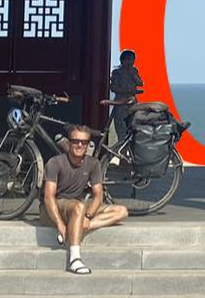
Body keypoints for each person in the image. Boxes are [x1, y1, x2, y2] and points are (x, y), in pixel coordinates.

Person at [40, 124, 128, 274]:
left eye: (84, 142)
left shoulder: (93, 164)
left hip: (77, 209)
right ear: (68, 142)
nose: (79, 144)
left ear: (88, 145)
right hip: (53, 208)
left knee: (122, 211)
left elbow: (98, 195)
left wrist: (88, 217)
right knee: (79, 206)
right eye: (75, 141)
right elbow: (49, 197)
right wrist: (60, 223)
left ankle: (79, 225)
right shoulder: (55, 162)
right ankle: (74, 259)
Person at [110, 49, 144, 141]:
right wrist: (128, 90)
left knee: (134, 128)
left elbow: (140, 83)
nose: (130, 62)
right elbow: (113, 87)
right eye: (128, 59)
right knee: (121, 130)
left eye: (132, 59)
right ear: (122, 60)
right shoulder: (117, 73)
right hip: (120, 103)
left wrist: (133, 74)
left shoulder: (134, 71)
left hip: (132, 103)